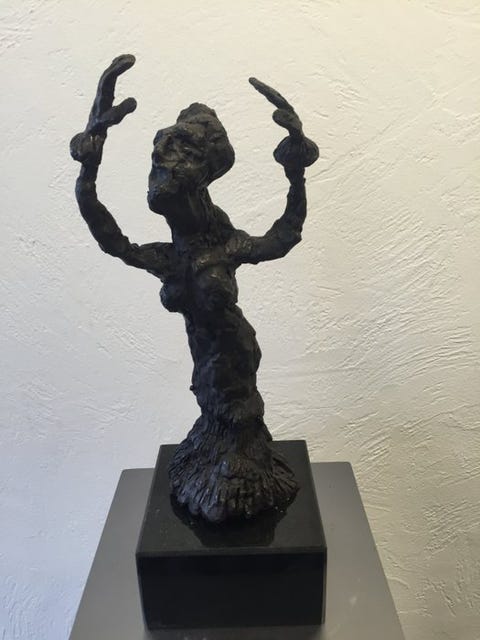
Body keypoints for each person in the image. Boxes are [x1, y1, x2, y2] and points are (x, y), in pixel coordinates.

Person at [70, 54, 319, 523]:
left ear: (204, 172)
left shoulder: (225, 246)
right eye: (160, 145)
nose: (161, 155)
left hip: (237, 379)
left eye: (181, 148)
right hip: (209, 389)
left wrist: (296, 171)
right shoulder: (171, 258)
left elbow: (286, 234)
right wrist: (88, 167)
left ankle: (242, 458)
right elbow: (111, 239)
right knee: (208, 470)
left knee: (230, 493)